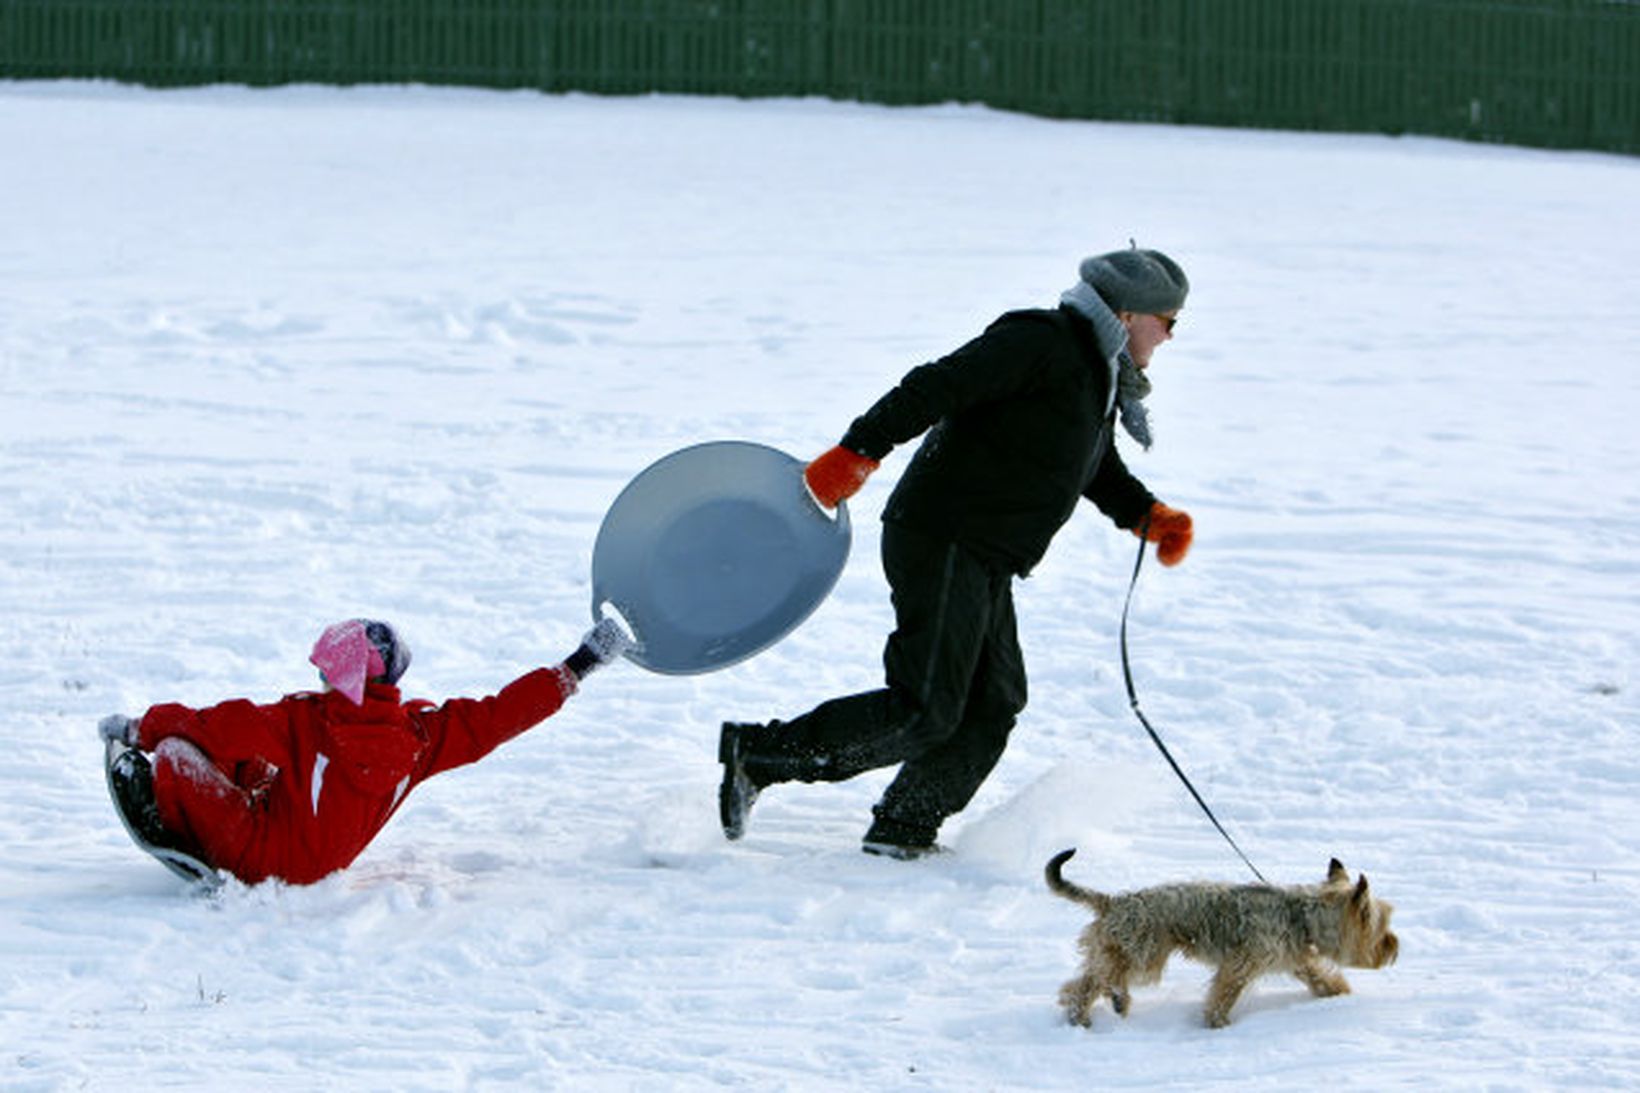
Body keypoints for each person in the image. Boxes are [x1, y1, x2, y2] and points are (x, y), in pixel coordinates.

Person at [718, 246, 1196, 859]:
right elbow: (937, 385)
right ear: (1130, 314)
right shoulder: (1042, 340)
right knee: (926, 706)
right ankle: (759, 755)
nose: (1172, 336)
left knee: (992, 703)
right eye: (1170, 321)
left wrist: (1144, 514)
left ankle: (905, 825)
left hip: (985, 552)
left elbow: (1088, 461)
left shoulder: (1093, 370)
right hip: (944, 535)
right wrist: (858, 450)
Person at [99, 616, 630, 885]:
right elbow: (497, 717)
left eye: (327, 670)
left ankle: (175, 829)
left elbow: (216, 724)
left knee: (178, 753)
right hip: (317, 866)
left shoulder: (305, 719)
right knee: (254, 762)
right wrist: (579, 664)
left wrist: (142, 728)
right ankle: (218, 820)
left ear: (343, 677)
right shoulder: (420, 737)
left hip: (259, 854)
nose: (321, 678)